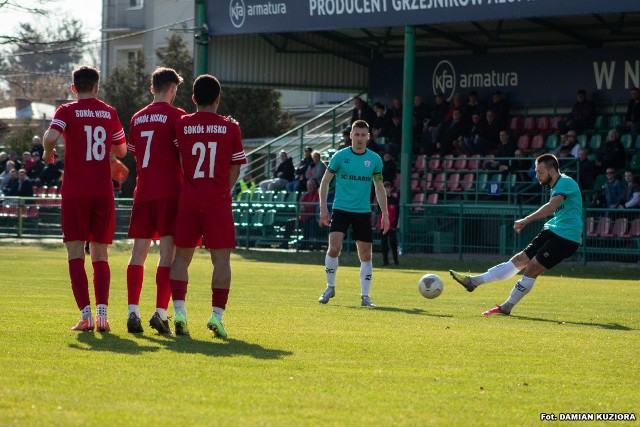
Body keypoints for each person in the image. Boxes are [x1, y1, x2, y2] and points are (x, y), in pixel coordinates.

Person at [42, 65, 127, 332]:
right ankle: (103, 316)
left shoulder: (66, 111)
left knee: (75, 252)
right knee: (100, 253)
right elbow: (122, 150)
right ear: (97, 87)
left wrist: (48, 153)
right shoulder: (108, 112)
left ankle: (86, 315)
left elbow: (51, 136)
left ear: (73, 88)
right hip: (103, 191)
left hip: (76, 191)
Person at [450, 153, 582, 316]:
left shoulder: (566, 182)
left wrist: (525, 220)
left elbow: (551, 207)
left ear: (553, 172)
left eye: (540, 172)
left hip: (566, 238)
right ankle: (473, 281)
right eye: (536, 171)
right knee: (519, 260)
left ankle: (506, 307)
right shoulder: (557, 185)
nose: (537, 175)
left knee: (532, 267)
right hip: (554, 230)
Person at [170, 74, 246, 338]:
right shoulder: (230, 127)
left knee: (181, 257)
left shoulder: (181, 124)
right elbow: (236, 165)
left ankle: (179, 311)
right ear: (218, 98)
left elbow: (181, 158)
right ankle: (217, 316)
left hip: (189, 199)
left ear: (193, 98)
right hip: (217, 201)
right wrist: (223, 188)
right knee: (221, 260)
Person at [125, 67, 186, 334]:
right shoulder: (178, 117)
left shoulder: (137, 118)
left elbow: (137, 155)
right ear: (172, 89)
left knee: (137, 253)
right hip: (170, 192)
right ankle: (161, 313)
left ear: (152, 88)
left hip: (144, 191)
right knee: (167, 256)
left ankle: (132, 312)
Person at [317, 120, 389, 307]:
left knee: (365, 254)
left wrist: (385, 214)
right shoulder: (340, 157)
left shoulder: (374, 160)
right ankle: (330, 287)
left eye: (363, 135)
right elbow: (325, 182)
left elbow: (379, 187)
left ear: (368, 137)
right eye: (356, 134)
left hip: (362, 211)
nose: (359, 138)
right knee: (334, 248)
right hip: (340, 209)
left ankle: (365, 297)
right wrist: (323, 208)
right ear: (350, 136)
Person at [283, 177, 320, 248]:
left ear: (315, 186)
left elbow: (313, 206)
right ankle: (284, 243)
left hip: (311, 218)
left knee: (308, 223)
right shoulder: (305, 195)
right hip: (302, 217)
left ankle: (305, 244)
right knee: (289, 223)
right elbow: (298, 206)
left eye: (311, 185)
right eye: (308, 185)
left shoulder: (317, 195)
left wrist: (304, 207)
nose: (309, 187)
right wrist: (301, 207)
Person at [379, 181, 399, 266]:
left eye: (387, 188)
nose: (386, 190)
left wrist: (395, 224)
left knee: (393, 243)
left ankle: (396, 261)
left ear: (390, 189)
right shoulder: (380, 199)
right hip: (383, 225)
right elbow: (378, 210)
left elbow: (397, 213)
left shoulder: (395, 200)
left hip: (392, 225)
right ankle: (385, 261)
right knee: (383, 244)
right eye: (384, 188)